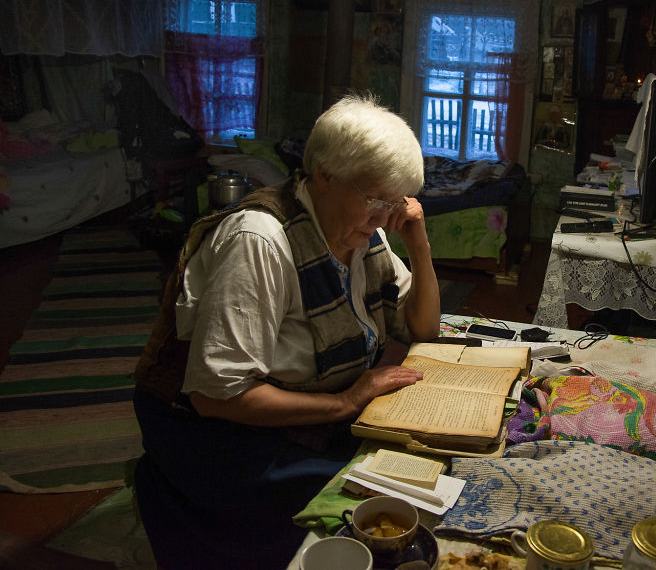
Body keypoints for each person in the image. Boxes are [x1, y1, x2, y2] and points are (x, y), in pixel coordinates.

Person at [131, 94, 441, 569]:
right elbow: (217, 397)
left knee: (417, 474)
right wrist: (346, 401)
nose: (384, 217)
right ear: (324, 174)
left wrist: (417, 242)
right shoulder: (259, 239)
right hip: (215, 436)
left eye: (395, 202)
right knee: (377, 511)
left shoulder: (365, 235)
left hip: (303, 416)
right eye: (376, 199)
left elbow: (423, 327)